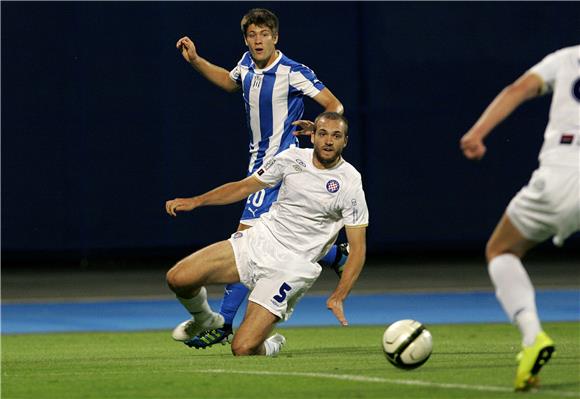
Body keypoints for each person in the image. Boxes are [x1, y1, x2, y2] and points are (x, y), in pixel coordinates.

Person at [174, 8, 349, 349]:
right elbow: (229, 81)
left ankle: (223, 321)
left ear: (275, 37)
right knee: (279, 241)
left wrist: (317, 126)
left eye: (264, 34)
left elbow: (335, 105)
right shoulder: (247, 65)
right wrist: (196, 60)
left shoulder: (293, 71)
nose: (258, 40)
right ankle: (333, 255)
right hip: (258, 165)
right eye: (252, 35)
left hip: (280, 168)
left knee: (245, 242)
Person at [165, 112, 368, 356]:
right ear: (312, 135)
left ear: (345, 141)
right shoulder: (290, 159)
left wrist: (338, 296)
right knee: (179, 278)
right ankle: (206, 319)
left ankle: (270, 345)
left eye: (336, 136)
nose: (328, 141)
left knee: (242, 348)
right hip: (260, 240)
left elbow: (357, 248)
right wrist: (197, 201)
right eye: (323, 134)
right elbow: (244, 186)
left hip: (293, 266)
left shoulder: (350, 182)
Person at [460, 45, 579, 391]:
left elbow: (517, 90)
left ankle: (532, 338)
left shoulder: (567, 58)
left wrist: (477, 132)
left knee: (501, 250)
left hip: (560, 174)